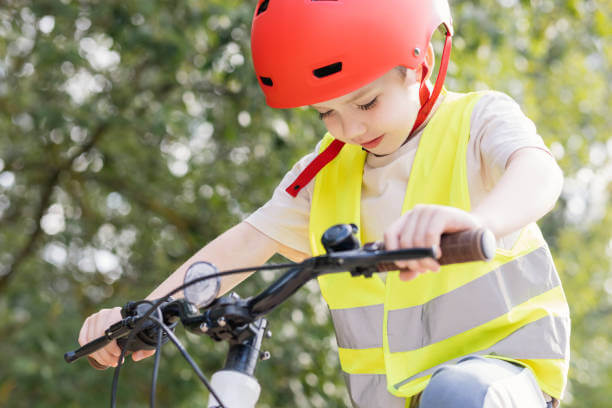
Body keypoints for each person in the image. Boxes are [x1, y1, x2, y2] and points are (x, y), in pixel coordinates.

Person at [78, 1, 570, 407]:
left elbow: (538, 172)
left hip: (499, 381)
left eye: (366, 103)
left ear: (418, 63)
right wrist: (144, 316)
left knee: (457, 393)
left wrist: (479, 222)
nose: (350, 129)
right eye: (325, 114)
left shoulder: (478, 120)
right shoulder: (323, 173)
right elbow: (241, 247)